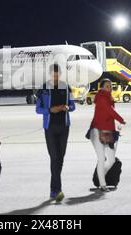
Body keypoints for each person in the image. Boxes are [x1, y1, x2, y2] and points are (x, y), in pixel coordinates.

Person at [36, 64, 76, 202]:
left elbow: (73, 106)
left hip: (64, 127)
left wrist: (67, 107)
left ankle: (54, 188)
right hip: (50, 128)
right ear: (49, 74)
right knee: (54, 158)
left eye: (57, 74)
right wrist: (49, 110)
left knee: (61, 158)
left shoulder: (66, 86)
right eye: (53, 74)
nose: (55, 76)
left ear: (60, 74)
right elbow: (38, 109)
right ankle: (56, 190)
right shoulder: (43, 88)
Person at [90, 79, 126, 192]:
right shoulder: (101, 97)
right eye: (107, 86)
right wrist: (121, 119)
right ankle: (102, 184)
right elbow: (110, 111)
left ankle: (100, 177)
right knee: (101, 158)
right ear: (101, 88)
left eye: (110, 86)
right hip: (97, 131)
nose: (109, 88)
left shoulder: (108, 97)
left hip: (108, 132)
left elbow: (109, 114)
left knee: (111, 160)